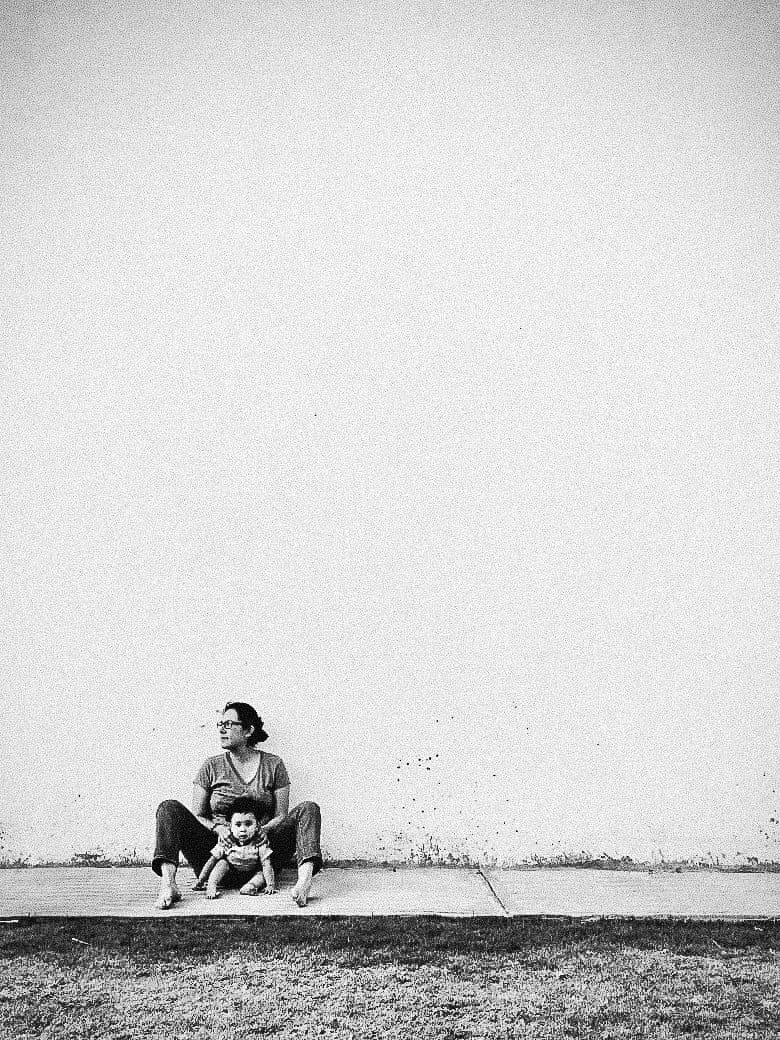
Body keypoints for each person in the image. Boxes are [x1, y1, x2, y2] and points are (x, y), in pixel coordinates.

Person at [153, 701, 322, 909]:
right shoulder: (211, 766)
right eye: (220, 724)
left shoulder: (274, 765)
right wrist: (218, 828)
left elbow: (281, 815)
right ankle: (168, 884)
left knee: (309, 809)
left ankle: (304, 883)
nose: (222, 729)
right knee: (168, 808)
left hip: (262, 857)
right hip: (217, 856)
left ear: (248, 730)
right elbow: (198, 814)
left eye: (229, 724)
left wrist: (263, 830)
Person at [193, 796, 277, 898]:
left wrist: (270, 885)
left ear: (257, 826)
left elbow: (267, 864)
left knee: (261, 873)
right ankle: (211, 886)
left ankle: (250, 886)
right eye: (238, 825)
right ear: (230, 827)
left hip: (251, 873)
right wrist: (201, 880)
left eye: (248, 824)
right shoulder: (227, 842)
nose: (243, 829)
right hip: (230, 874)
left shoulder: (259, 843)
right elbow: (211, 861)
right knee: (221, 863)